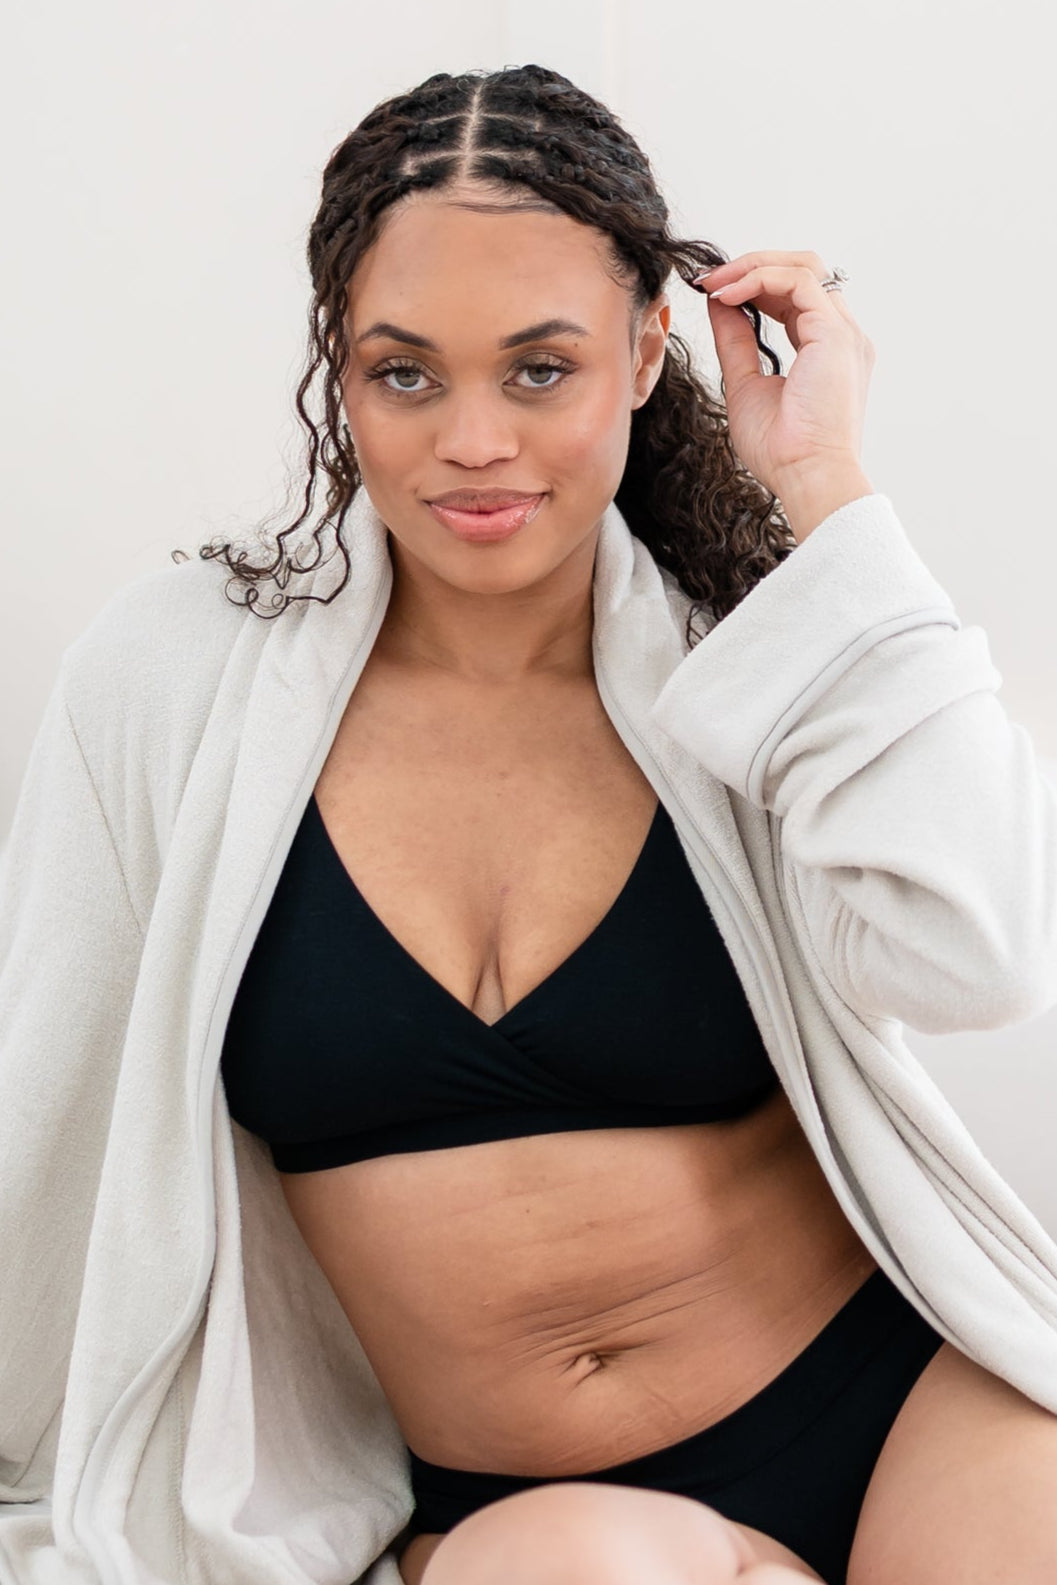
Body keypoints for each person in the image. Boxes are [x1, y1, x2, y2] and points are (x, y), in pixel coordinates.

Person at [2, 62, 1057, 1585]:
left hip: (899, 1408)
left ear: (643, 353)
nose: (473, 440)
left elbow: (978, 953)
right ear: (339, 369)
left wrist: (823, 483)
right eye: (406, 373)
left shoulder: (757, 650)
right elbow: (46, 1106)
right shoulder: (172, 685)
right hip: (523, 1517)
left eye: (541, 369)